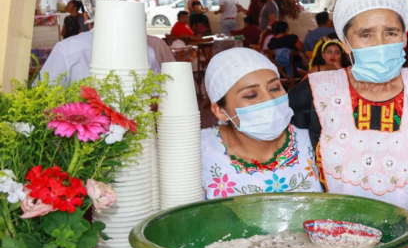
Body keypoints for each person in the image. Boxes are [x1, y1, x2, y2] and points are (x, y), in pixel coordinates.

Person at [290, 0, 408, 217]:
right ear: (346, 44)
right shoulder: (314, 93)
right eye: (365, 35)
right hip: (335, 243)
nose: (380, 44)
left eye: (391, 32)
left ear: (403, 38)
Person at [202, 49, 320, 197]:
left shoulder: (312, 140)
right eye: (251, 95)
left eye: (275, 88)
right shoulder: (199, 153)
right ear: (220, 110)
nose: (270, 100)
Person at [38, 30, 172, 85]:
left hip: (75, 138)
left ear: (86, 15)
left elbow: (44, 92)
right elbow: (156, 98)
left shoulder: (67, 47)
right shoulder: (145, 49)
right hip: (135, 138)